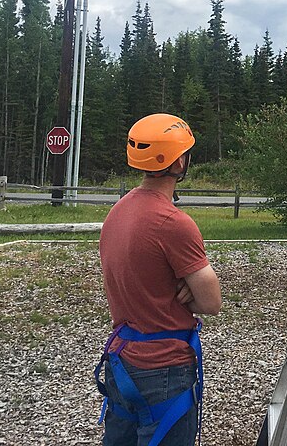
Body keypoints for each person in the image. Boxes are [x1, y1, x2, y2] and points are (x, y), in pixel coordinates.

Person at [96, 113, 222, 446]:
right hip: (163, 369)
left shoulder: (117, 213)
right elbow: (212, 302)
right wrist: (187, 293)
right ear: (179, 161)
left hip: (122, 362)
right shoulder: (174, 223)